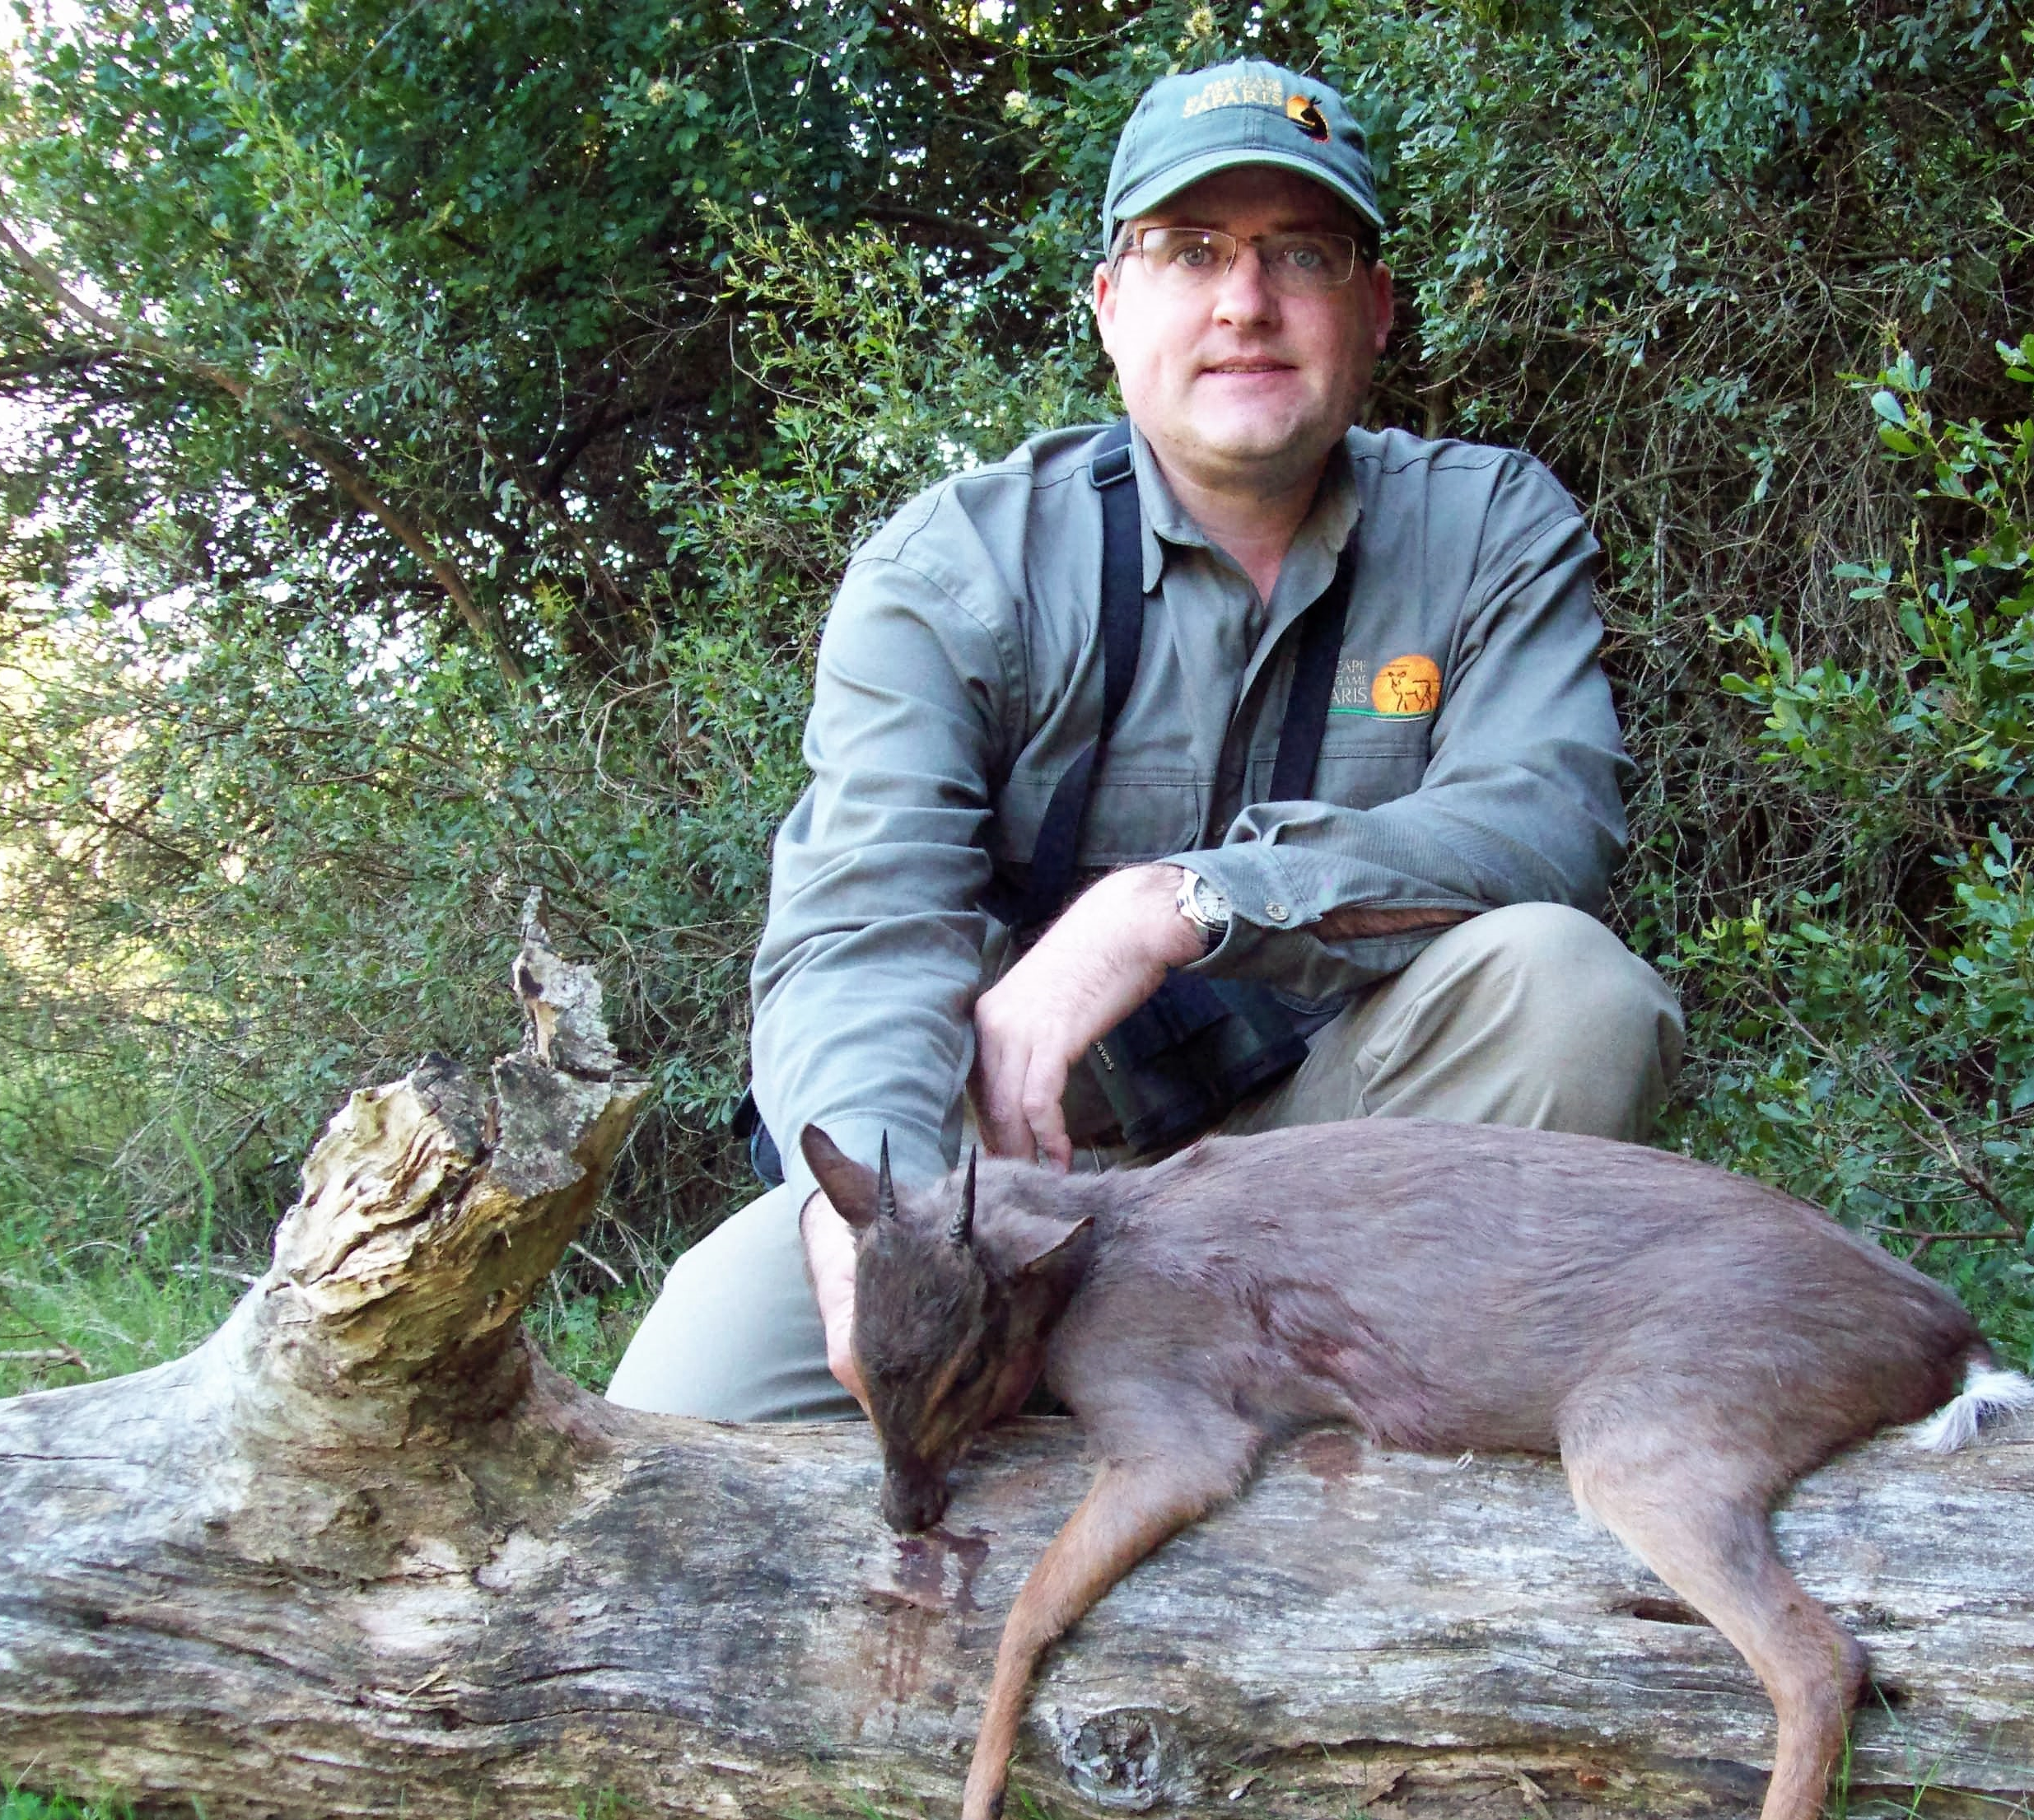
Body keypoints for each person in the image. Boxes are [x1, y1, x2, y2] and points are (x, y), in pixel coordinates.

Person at [606, 58, 1682, 1424]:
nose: (1246, 301)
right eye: (1190, 252)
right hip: (1000, 1194)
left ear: (1375, 307)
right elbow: (857, 933)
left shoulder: (1489, 531)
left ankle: (1392, 1462)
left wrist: (1169, 908)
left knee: (1565, 986)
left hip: (1335, 1161)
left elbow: (1544, 824)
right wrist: (879, 1233)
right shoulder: (959, 570)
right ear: (1113, 306)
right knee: (674, 1417)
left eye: (1302, 250)